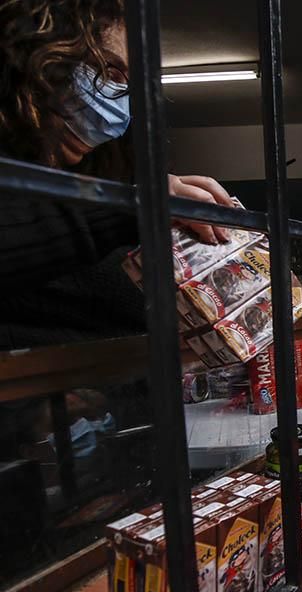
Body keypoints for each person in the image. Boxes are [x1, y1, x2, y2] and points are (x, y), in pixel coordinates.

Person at [0, 0, 236, 349]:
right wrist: (131, 205)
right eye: (108, 72)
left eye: (129, 88)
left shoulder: (96, 177)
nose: (118, 109)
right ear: (42, 57)